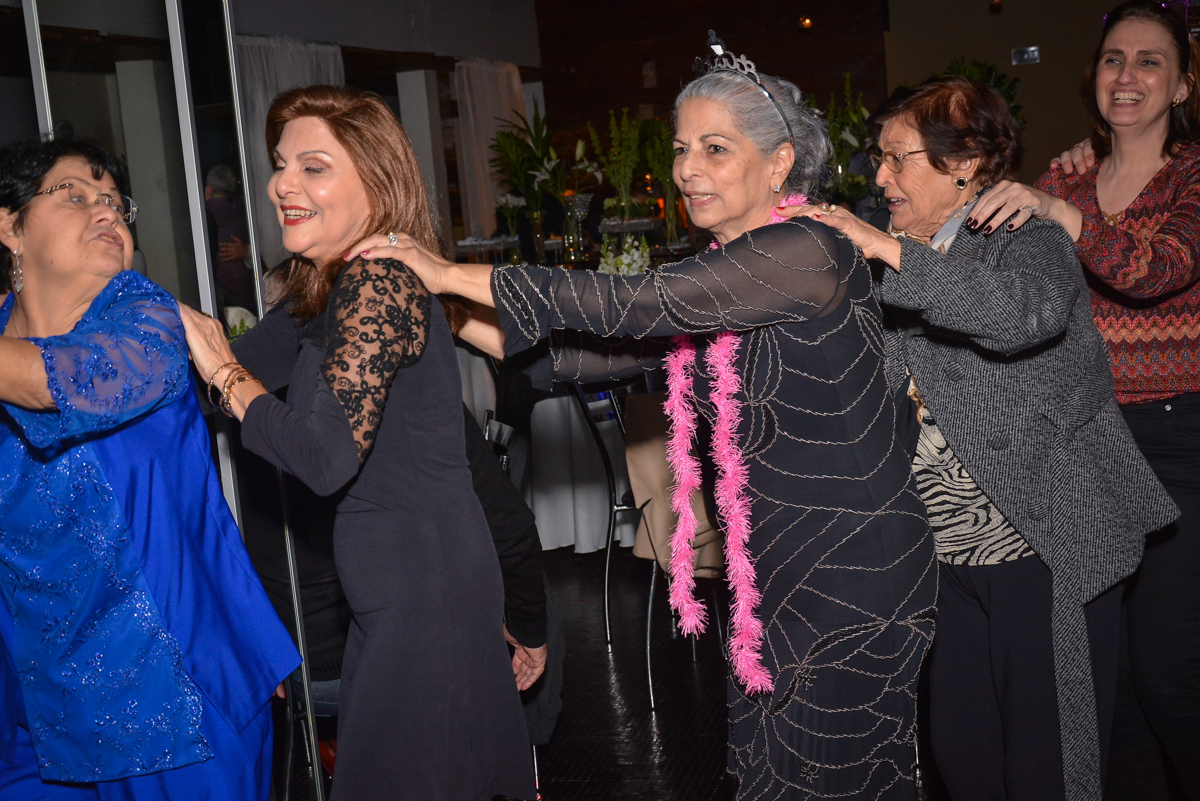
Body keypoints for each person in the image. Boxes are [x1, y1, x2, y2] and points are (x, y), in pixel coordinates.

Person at [354, 36, 938, 800]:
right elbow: (593, 356)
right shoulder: (732, 274)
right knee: (774, 775)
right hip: (778, 577)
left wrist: (443, 269)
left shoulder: (807, 250)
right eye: (682, 147)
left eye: (716, 149)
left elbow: (637, 304)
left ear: (780, 163)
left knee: (839, 780)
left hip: (855, 576)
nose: (687, 168)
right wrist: (441, 311)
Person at [786, 76, 1177, 801]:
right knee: (961, 753)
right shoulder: (899, 255)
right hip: (948, 560)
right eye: (880, 158)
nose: (880, 176)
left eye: (897, 157)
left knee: (1046, 767)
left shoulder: (1023, 238)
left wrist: (887, 251)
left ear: (964, 161)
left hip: (1044, 545)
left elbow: (1018, 316)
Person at [178, 85, 535, 800]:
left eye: (314, 166)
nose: (283, 184)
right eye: (281, 164)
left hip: (421, 591)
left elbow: (320, 456)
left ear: (375, 181)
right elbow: (243, 370)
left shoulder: (378, 283)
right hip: (400, 590)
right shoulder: (325, 290)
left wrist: (221, 368)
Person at [0, 136, 299, 798]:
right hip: (41, 710)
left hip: (175, 696)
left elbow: (58, 383)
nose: (105, 211)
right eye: (75, 195)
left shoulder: (147, 319)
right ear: (8, 224)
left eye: (114, 201)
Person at [970, 3, 1200, 795]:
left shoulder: (1193, 176)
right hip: (1084, 440)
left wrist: (1066, 216)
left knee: (1171, 670)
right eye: (1112, 60)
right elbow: (1011, 275)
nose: (1126, 76)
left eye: (1148, 62)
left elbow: (1157, 270)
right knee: (1107, 673)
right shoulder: (1067, 172)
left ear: (1181, 85)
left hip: (1178, 440)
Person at [204, 164, 254, 312]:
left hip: (217, 294)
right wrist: (247, 253)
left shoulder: (202, 216)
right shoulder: (247, 212)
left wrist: (246, 252)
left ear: (208, 190)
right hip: (248, 294)